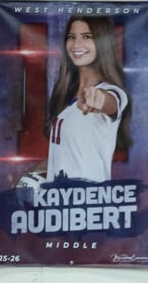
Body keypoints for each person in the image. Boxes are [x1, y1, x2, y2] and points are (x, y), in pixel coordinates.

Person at [44, 16, 132, 183]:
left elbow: (110, 102)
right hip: (59, 198)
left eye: (87, 37)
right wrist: (29, 174)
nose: (76, 44)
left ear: (103, 43)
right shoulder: (66, 97)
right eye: (71, 37)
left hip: (89, 197)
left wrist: (99, 100)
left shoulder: (112, 91)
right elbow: (63, 156)